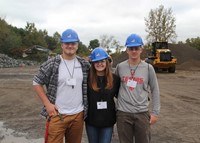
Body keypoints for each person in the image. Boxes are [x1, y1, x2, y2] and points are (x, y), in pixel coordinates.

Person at [32, 29, 90, 143]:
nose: (70, 46)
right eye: (67, 43)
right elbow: (36, 82)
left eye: (73, 43)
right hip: (57, 115)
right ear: (62, 45)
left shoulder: (84, 64)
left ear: (77, 45)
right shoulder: (52, 64)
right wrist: (47, 104)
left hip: (78, 115)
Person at [115, 34, 160, 143]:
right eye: (131, 48)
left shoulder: (149, 68)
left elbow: (155, 90)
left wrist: (155, 113)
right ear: (127, 50)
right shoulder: (120, 67)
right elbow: (114, 88)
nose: (134, 51)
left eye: (136, 48)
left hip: (142, 113)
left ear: (141, 49)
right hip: (123, 114)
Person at [85, 47, 120, 143]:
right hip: (91, 120)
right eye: (96, 61)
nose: (99, 64)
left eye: (102, 61)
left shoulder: (115, 79)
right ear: (92, 63)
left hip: (108, 121)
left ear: (107, 62)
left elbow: (121, 96)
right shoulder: (86, 78)